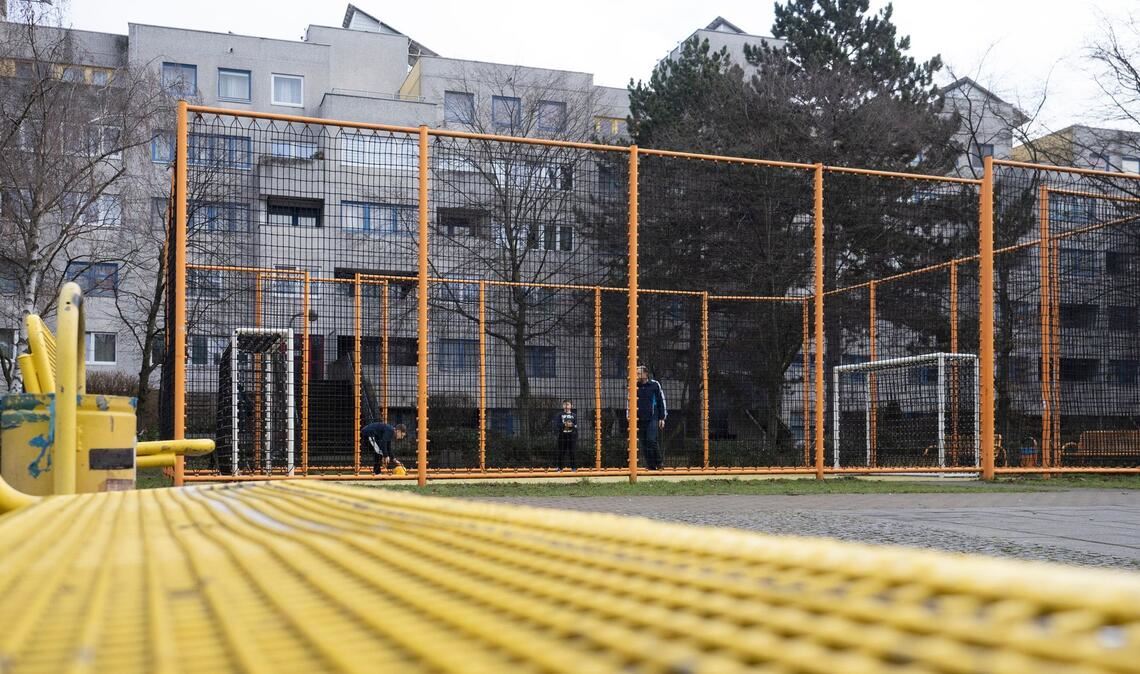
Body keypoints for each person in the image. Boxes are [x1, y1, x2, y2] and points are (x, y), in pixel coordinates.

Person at [634, 365, 668, 470]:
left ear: (645, 374)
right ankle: (651, 465)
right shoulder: (635, 386)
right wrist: (629, 415)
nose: (637, 375)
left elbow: (661, 401)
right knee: (644, 442)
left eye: (639, 373)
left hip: (653, 416)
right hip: (639, 417)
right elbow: (629, 400)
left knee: (651, 440)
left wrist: (662, 417)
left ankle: (659, 462)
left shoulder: (654, 385)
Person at [556, 399, 578, 472]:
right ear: (562, 406)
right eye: (565, 404)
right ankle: (560, 467)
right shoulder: (560, 415)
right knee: (561, 452)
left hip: (571, 436)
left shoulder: (574, 415)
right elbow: (558, 425)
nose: (566, 406)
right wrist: (565, 424)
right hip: (562, 436)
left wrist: (572, 425)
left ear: (571, 406)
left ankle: (574, 468)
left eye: (568, 404)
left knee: (572, 452)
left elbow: (576, 426)